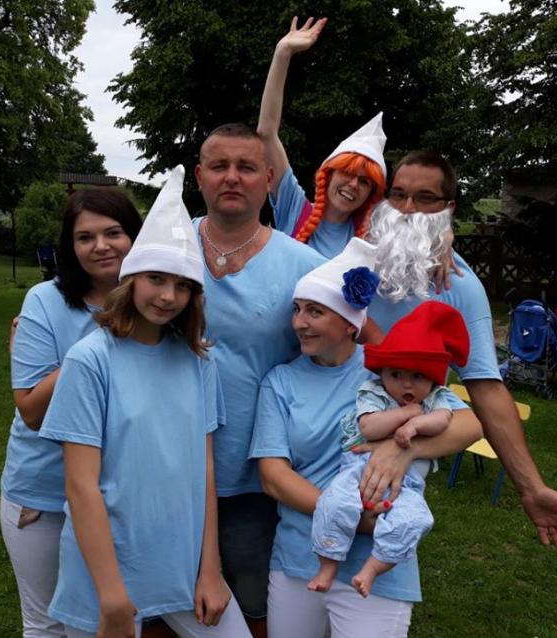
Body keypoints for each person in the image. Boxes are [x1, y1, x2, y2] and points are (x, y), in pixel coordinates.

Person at [38, 166, 250, 638]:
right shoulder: (90, 360)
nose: (168, 296)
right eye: (156, 278)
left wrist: (210, 568)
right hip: (106, 568)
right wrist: (112, 595)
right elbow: (81, 486)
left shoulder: (199, 362)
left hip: (182, 561)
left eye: (183, 285)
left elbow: (204, 469)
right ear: (131, 278)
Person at [250, 237, 482, 638]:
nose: (299, 322)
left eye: (315, 311)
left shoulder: (388, 374)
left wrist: (401, 449)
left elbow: (472, 424)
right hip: (300, 557)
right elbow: (273, 476)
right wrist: (349, 518)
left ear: (349, 323)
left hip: (379, 568)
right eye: (297, 309)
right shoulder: (280, 382)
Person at [364, 151, 557, 551]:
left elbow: (486, 388)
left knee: (375, 561)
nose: (407, 209)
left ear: (448, 208)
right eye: (398, 195)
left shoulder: (458, 287)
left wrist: (531, 487)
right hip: (306, 439)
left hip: (385, 460)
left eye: (424, 198)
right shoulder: (353, 254)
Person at [192, 122, 326, 636]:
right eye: (219, 166)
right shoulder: (166, 247)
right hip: (167, 463)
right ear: (199, 176)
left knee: (252, 601)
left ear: (268, 179)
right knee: (165, 598)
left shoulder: (304, 266)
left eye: (246, 167)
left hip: (256, 473)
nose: (232, 177)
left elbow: (348, 346)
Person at [1, 188, 142, 637]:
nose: (100, 246)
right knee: (47, 624)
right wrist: (105, 337)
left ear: (135, 237)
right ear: (70, 246)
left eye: (113, 233)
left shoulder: (159, 303)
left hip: (119, 496)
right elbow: (32, 411)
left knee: (110, 617)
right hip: (44, 491)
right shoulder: (45, 301)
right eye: (85, 237)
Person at [309, 300, 470, 598]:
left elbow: (443, 419)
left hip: (407, 485)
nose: (405, 384)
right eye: (395, 375)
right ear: (382, 374)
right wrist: (406, 414)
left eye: (417, 376)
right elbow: (370, 427)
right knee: (335, 504)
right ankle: (328, 564)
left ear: (432, 379)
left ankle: (371, 569)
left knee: (414, 520)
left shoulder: (436, 398)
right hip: (357, 473)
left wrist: (416, 426)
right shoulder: (374, 391)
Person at [257, 17, 387, 258]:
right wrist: (283, 53)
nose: (353, 185)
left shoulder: (374, 238)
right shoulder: (295, 209)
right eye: (347, 172)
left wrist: (444, 240)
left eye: (365, 182)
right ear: (328, 174)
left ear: (371, 194)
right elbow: (266, 133)